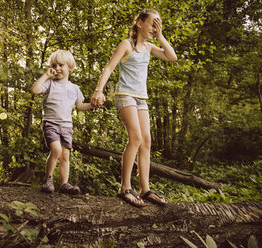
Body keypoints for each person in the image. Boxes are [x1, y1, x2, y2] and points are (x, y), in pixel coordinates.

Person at [91, 9, 177, 207]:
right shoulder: (126, 45)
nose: (156, 28)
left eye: (159, 25)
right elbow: (109, 68)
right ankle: (124, 187)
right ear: (140, 23)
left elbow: (172, 57)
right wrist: (98, 90)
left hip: (141, 99)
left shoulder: (149, 48)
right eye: (153, 24)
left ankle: (144, 190)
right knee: (135, 138)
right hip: (125, 95)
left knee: (146, 141)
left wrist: (161, 35)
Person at [31, 50, 94, 195]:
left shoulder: (74, 88)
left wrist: (92, 105)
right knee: (56, 150)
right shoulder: (50, 84)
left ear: (70, 68)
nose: (57, 68)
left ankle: (64, 184)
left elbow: (80, 106)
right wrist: (46, 75)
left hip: (67, 125)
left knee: (65, 155)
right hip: (51, 123)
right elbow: (35, 90)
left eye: (61, 65)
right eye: (54, 65)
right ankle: (48, 180)